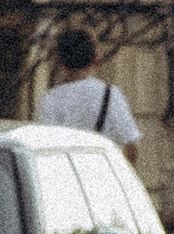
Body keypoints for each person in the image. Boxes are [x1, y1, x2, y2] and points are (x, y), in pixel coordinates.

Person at [38, 22, 142, 152]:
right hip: (100, 169)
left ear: (60, 63)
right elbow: (132, 145)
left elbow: (45, 147)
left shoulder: (50, 99)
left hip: (65, 170)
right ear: (96, 60)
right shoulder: (110, 94)